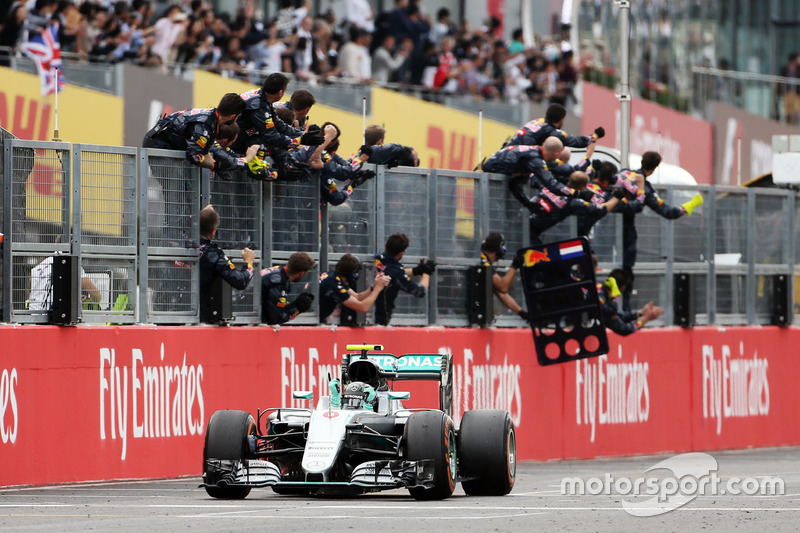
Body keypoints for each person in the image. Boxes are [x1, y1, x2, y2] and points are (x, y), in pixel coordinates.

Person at [621, 151, 703, 311]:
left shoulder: (623, 174)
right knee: (625, 274)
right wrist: (691, 205)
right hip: (625, 234)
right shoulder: (645, 187)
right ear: (654, 168)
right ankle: (622, 311)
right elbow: (669, 212)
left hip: (603, 232)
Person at [142, 92, 246, 169]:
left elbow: (205, 153)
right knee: (177, 187)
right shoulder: (205, 124)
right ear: (233, 116)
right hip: (158, 144)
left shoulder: (213, 121)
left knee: (185, 188)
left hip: (168, 145)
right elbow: (194, 156)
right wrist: (216, 166)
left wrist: (216, 167)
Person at [231, 72, 324, 157]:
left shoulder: (262, 100)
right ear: (280, 92)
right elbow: (271, 135)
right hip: (231, 146)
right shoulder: (258, 105)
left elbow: (278, 124)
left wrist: (303, 135)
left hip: (236, 143)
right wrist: (299, 141)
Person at [529, 171, 628, 245]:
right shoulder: (572, 203)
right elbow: (601, 209)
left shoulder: (553, 185)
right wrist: (617, 197)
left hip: (524, 223)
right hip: (532, 234)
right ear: (582, 187)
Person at [482, 136, 576, 209]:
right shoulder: (535, 159)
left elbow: (514, 183)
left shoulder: (533, 153)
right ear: (555, 154)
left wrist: (528, 203)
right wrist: (577, 193)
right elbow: (551, 184)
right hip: (489, 186)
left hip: (491, 183)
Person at [197, 205, 255, 323]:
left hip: (176, 311)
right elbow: (240, 281)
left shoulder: (184, 245)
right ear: (213, 231)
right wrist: (249, 262)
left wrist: (203, 215)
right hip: (204, 317)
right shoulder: (214, 254)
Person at [373, 232, 435, 325]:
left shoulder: (378, 259)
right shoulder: (395, 272)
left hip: (367, 313)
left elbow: (392, 273)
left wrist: (416, 270)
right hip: (380, 321)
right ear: (401, 252)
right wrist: (426, 273)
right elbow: (420, 291)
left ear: (386, 245)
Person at [319, 253, 391, 323]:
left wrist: (373, 287)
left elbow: (357, 297)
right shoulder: (334, 285)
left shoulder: (334, 276)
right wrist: (378, 288)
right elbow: (362, 307)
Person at [504, 103, 604, 149]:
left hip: (504, 153)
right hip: (515, 162)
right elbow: (576, 142)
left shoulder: (535, 121)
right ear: (561, 120)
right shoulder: (551, 131)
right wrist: (595, 135)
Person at [598, 268, 663, 336]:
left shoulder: (597, 290)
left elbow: (617, 316)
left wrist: (640, 313)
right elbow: (624, 329)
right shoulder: (607, 307)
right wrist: (645, 319)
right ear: (622, 288)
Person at [479, 232, 528, 321]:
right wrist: (515, 265)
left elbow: (501, 293)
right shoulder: (484, 264)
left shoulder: (484, 261)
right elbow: (503, 287)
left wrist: (522, 313)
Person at [29, 255, 101, 311]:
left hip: (33, 314)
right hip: (51, 317)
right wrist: (94, 300)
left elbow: (29, 291)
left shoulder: (39, 266)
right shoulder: (72, 264)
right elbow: (95, 294)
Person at [261, 251, 316, 324]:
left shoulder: (278, 271)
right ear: (302, 273)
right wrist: (297, 308)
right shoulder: (279, 282)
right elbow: (274, 319)